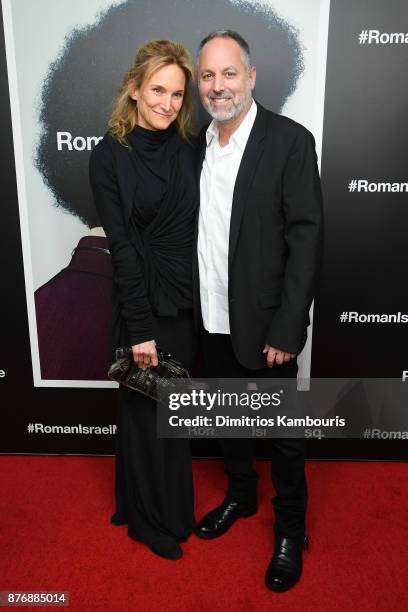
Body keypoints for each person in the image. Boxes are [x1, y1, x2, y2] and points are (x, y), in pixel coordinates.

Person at [193, 31, 323, 591]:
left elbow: (306, 237)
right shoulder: (197, 141)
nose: (217, 86)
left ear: (251, 77)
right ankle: (242, 496)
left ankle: (291, 529)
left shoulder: (290, 141)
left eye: (228, 74)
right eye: (207, 76)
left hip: (268, 324)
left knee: (284, 436)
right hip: (209, 314)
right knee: (227, 417)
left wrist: (289, 327)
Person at [89, 40, 197, 560]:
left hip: (186, 297)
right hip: (142, 297)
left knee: (170, 411)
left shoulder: (190, 146)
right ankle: (150, 523)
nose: (167, 102)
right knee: (147, 410)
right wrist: (139, 327)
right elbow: (123, 249)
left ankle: (152, 506)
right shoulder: (110, 155)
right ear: (134, 89)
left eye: (177, 93)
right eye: (157, 89)